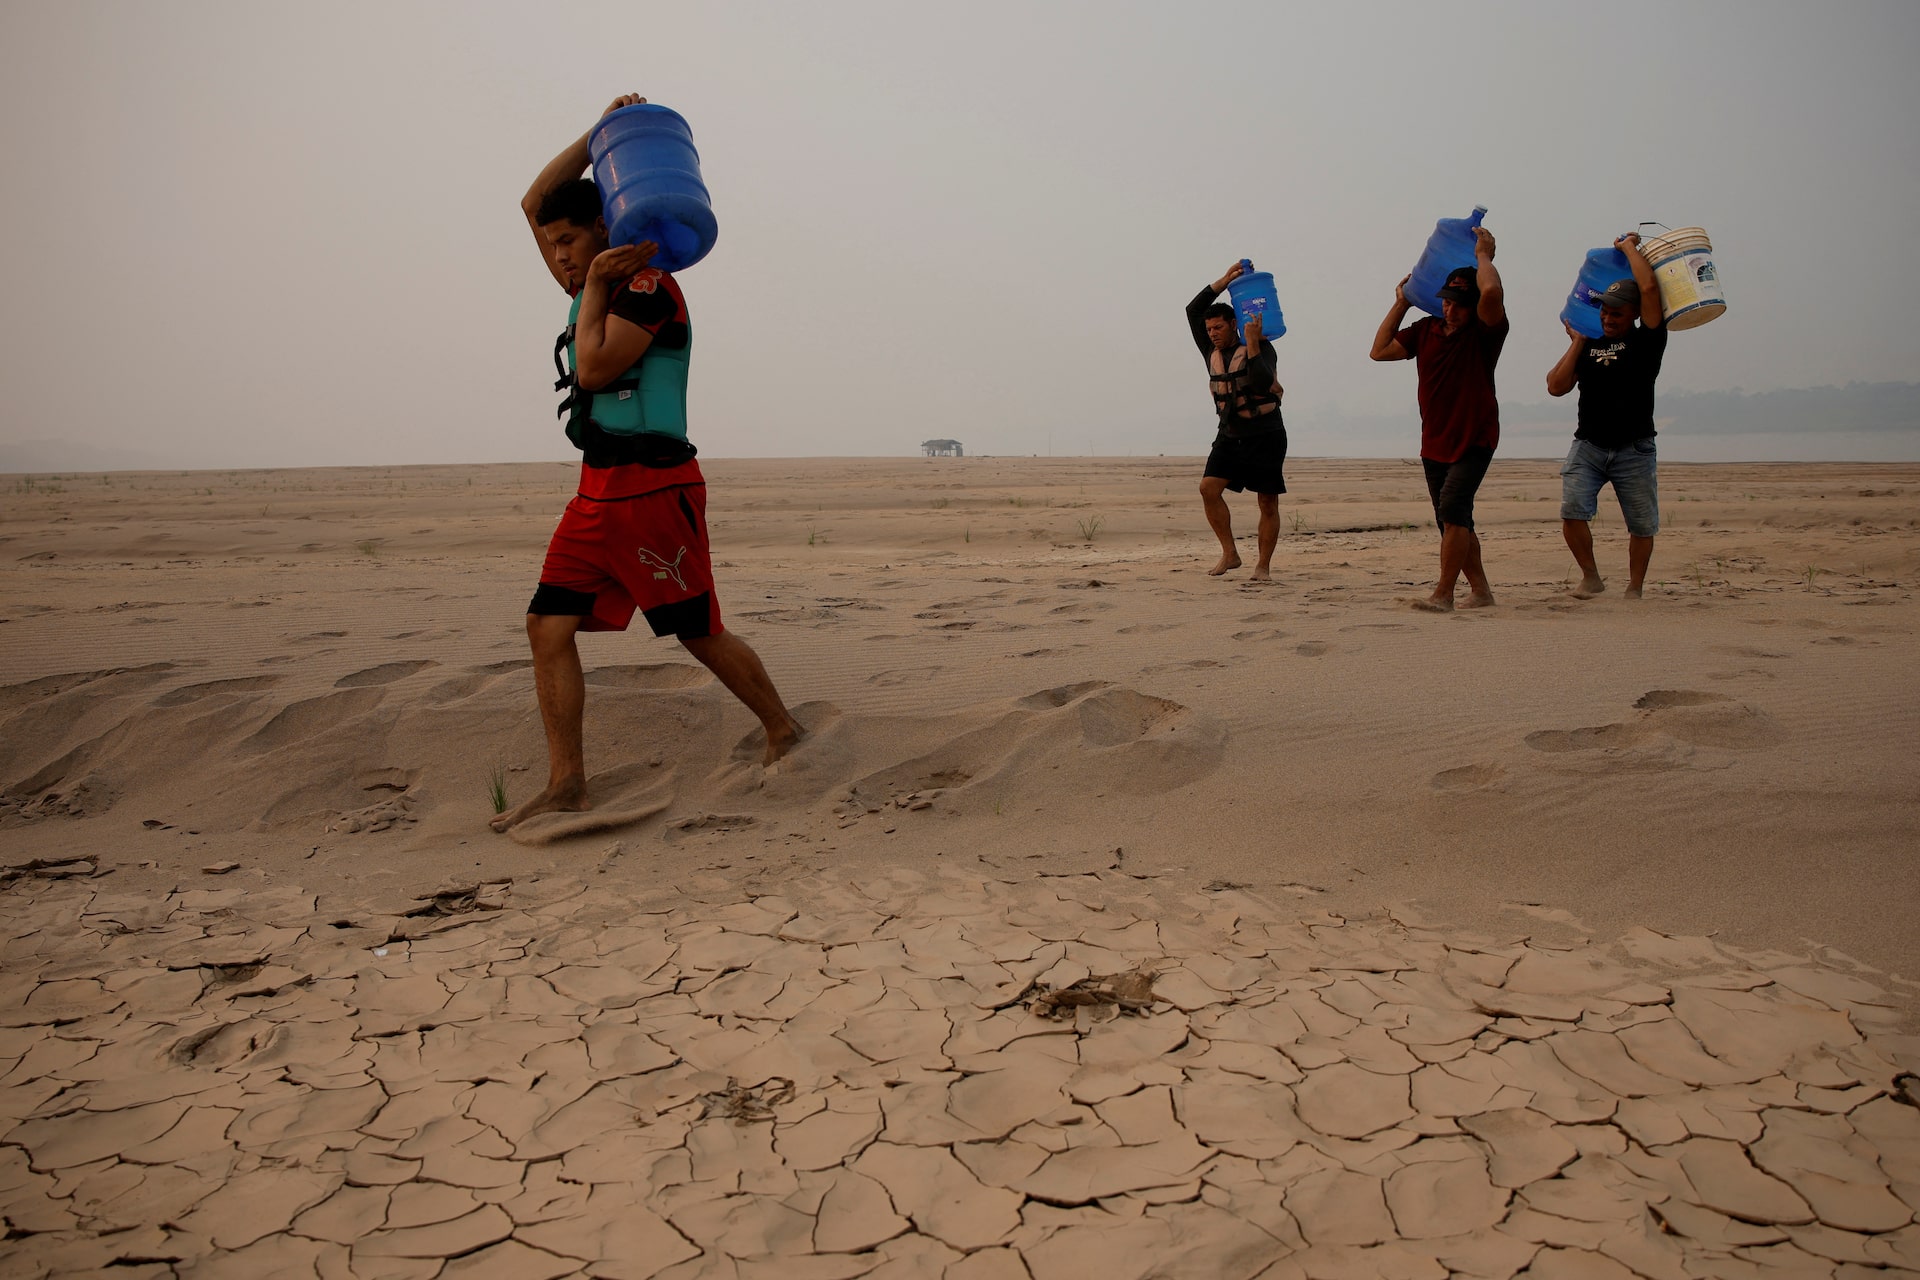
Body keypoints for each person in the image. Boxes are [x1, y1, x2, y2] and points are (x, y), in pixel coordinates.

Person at [492, 94, 803, 834]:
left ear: (607, 227)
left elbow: (596, 371)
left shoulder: (645, 288)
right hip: (595, 493)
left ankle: (783, 729)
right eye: (556, 246)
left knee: (696, 628)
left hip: (655, 487)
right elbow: (534, 200)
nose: (562, 256)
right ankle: (567, 783)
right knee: (546, 627)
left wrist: (598, 280)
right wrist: (598, 132)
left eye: (573, 241)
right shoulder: (584, 284)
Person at [1369, 228, 1508, 611]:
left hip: (1476, 436)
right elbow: (1379, 351)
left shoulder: (1485, 332)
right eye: (1447, 301)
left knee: (1452, 510)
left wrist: (1485, 257)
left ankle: (1443, 594)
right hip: (1434, 440)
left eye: (1460, 303)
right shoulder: (1426, 329)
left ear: (1474, 305)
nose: (1451, 309)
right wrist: (1402, 302)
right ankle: (1481, 591)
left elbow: (1492, 293)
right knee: (1453, 520)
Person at [1545, 234, 1667, 599]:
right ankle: (1591, 576)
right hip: (1589, 446)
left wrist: (1628, 247)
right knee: (1571, 512)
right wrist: (1578, 342)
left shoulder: (1647, 341)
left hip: (1635, 449)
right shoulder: (1589, 343)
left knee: (1642, 526)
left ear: (1633, 314)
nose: (1608, 317)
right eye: (1604, 311)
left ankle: (1635, 588)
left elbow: (1647, 286)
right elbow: (1555, 386)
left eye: (1616, 312)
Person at [1185, 264, 1287, 579]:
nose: (1213, 334)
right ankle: (1230, 554)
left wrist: (1254, 343)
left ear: (1234, 324)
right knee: (1208, 488)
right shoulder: (1208, 349)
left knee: (1267, 502)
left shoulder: (1262, 347)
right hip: (1230, 434)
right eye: (1210, 329)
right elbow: (1193, 309)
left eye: (1218, 328)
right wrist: (1224, 281)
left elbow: (1260, 383)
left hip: (1265, 434)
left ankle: (1263, 567)